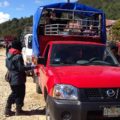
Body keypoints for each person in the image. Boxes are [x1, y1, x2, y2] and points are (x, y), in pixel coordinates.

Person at [4, 40, 36, 116]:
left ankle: (17, 110)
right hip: (17, 78)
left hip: (11, 76)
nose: (21, 47)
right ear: (18, 46)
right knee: (17, 93)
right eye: (20, 46)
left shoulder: (9, 53)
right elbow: (21, 68)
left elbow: (7, 65)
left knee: (17, 93)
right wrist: (31, 67)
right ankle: (9, 109)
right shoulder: (18, 56)